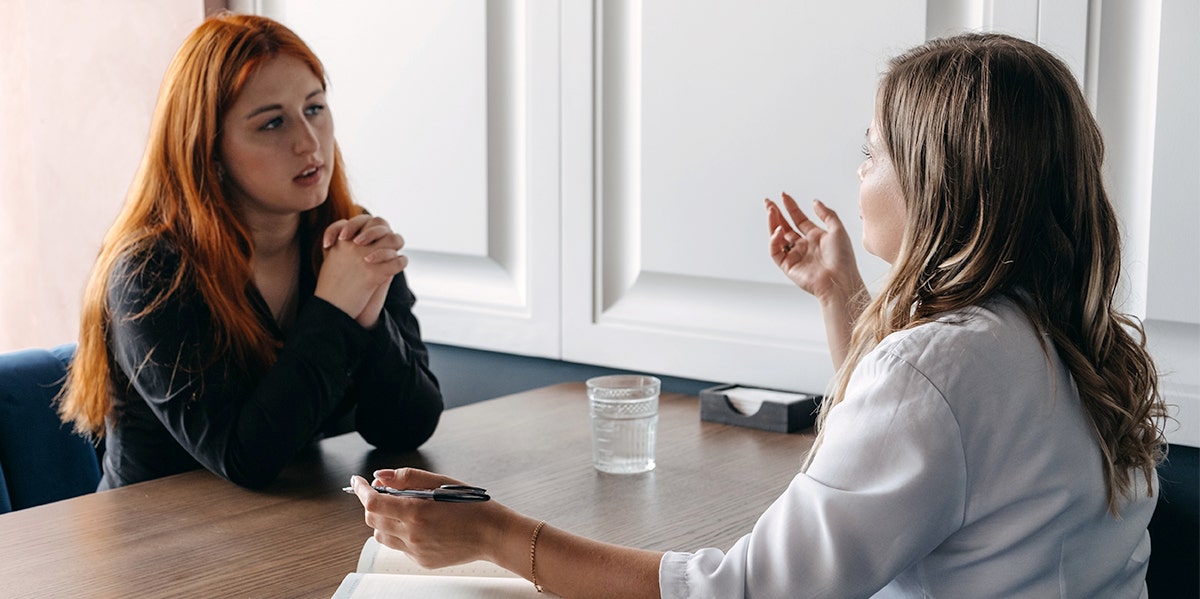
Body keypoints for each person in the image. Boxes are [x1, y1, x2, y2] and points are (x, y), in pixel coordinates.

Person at [349, 32, 1168, 597]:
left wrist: (493, 532)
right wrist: (837, 296)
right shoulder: (1066, 341)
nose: (858, 170)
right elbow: (919, 457)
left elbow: (749, 590)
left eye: (873, 149)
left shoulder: (940, 366)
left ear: (938, 181)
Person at [57, 12, 443, 490]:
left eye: (315, 108)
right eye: (273, 123)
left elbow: (408, 428)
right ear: (209, 149)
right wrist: (336, 310)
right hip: (153, 548)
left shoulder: (343, 237)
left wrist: (367, 319)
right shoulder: (152, 272)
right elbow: (246, 458)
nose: (308, 142)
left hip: (279, 529)